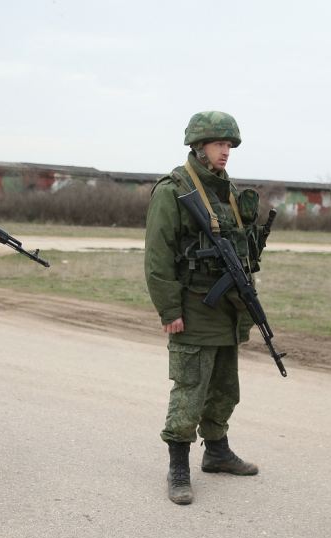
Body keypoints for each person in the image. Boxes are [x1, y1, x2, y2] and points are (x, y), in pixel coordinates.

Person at [144, 111, 267, 506]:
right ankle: (178, 466)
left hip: (228, 309)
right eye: (219, 144)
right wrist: (169, 310)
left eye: (229, 145)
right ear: (198, 146)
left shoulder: (226, 190)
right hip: (193, 307)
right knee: (189, 390)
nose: (225, 151)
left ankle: (216, 451)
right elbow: (157, 258)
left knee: (225, 388)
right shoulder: (173, 190)